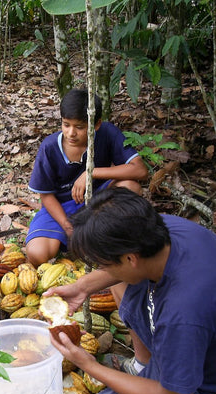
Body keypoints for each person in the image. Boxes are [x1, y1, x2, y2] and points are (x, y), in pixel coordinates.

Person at [46, 187, 216, 394]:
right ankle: (143, 365)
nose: (103, 270)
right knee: (121, 283)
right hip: (190, 347)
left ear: (131, 259)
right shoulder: (163, 229)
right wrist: (82, 287)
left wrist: (89, 365)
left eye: (103, 264)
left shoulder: (181, 315)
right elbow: (122, 269)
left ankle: (149, 374)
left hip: (201, 391)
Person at [25, 88, 148, 267]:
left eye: (80, 127)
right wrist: (68, 228)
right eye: (66, 124)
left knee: (131, 187)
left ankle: (105, 237)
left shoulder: (107, 133)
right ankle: (75, 241)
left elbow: (140, 171)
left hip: (97, 200)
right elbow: (46, 195)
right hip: (61, 207)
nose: (71, 133)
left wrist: (91, 172)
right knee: (37, 254)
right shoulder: (50, 147)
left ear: (96, 124)